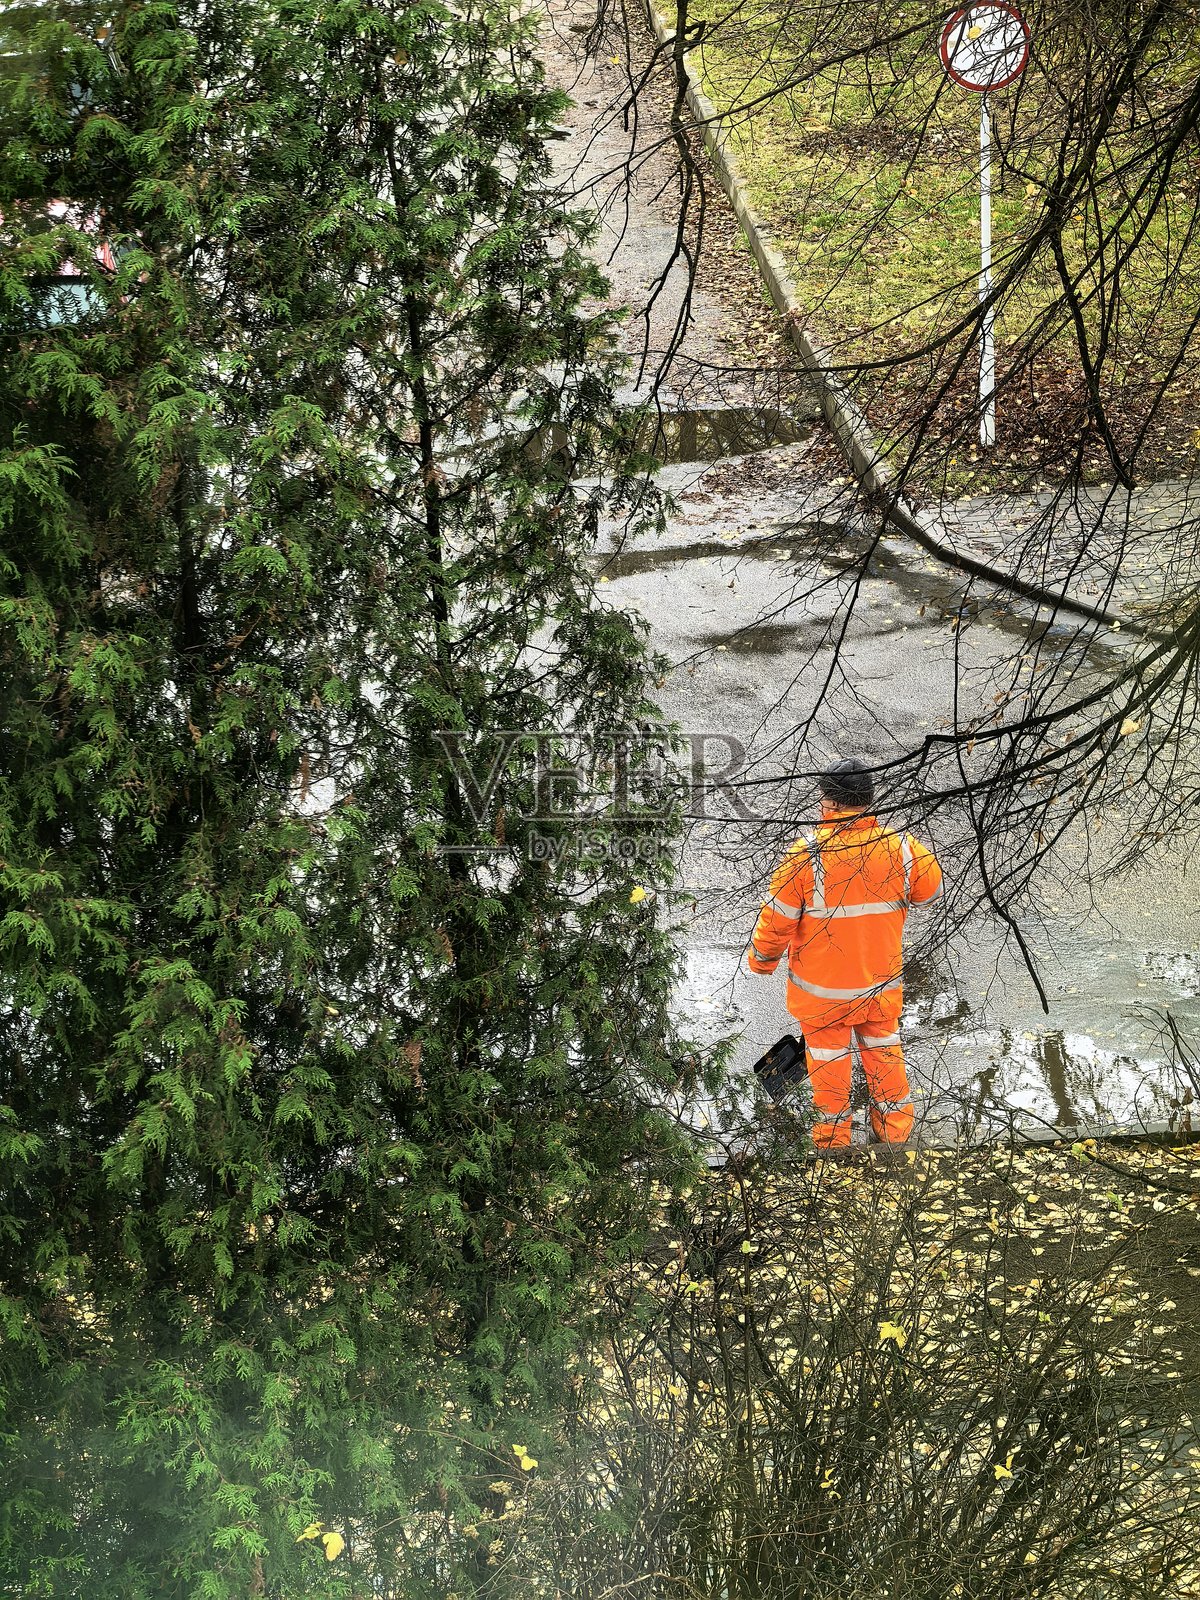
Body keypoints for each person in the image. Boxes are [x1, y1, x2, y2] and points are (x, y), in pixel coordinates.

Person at [746, 757, 942, 1149]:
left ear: (829, 802)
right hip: (878, 987)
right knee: (885, 1060)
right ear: (868, 800)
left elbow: (777, 920)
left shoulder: (805, 856)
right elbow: (928, 892)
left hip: (823, 996)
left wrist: (762, 961)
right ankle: (894, 1138)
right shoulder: (904, 849)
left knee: (829, 1071)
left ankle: (834, 1146)